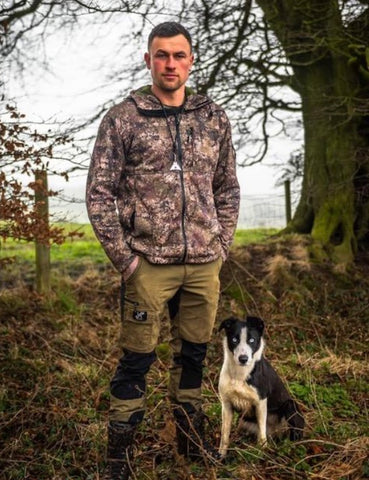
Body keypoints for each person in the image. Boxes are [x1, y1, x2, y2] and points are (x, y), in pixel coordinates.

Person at [86, 21, 240, 480]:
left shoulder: (213, 117)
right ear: (148, 59)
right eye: (161, 55)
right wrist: (126, 260)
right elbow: (99, 194)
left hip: (203, 265)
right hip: (148, 266)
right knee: (136, 360)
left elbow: (227, 187)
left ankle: (190, 447)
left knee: (194, 356)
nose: (170, 64)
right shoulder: (123, 118)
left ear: (191, 60)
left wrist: (222, 243)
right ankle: (119, 461)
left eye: (178, 55)